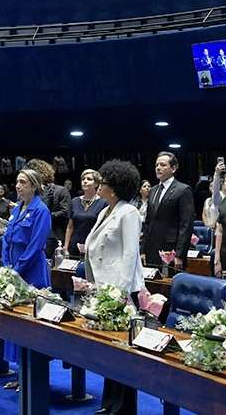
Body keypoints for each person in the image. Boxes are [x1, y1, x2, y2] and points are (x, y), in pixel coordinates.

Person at [83, 160, 144, 415]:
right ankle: (109, 404)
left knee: (124, 353)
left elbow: (130, 254)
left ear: (115, 188)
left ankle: (123, 408)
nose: (99, 186)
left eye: (103, 183)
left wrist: (119, 294)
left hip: (122, 292)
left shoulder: (128, 212)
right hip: (104, 287)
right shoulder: (105, 211)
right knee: (110, 351)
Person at [0, 169, 51, 390]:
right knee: (16, 325)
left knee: (31, 326)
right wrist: (5, 267)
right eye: (17, 182)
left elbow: (35, 245)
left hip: (32, 273)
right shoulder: (17, 208)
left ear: (34, 185)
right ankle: (20, 374)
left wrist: (16, 271)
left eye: (23, 182)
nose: (18, 186)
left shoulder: (41, 210)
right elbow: (6, 239)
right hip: (13, 271)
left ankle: (32, 376)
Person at [142, 152, 194, 269]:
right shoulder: (153, 190)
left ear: (173, 168)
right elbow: (148, 223)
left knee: (168, 285)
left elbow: (186, 225)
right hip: (151, 249)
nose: (158, 168)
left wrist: (180, 254)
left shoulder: (183, 190)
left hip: (171, 250)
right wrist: (143, 250)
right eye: (156, 165)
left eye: (163, 165)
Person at [26, 159, 70, 256]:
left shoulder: (61, 190)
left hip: (54, 234)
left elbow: (65, 212)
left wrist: (45, 216)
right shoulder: (30, 193)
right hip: (32, 234)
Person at [63, 169, 108, 259]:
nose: (85, 181)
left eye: (89, 179)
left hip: (93, 246)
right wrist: (66, 247)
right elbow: (70, 226)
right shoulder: (74, 201)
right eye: (83, 179)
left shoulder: (103, 203)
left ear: (96, 184)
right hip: (74, 246)